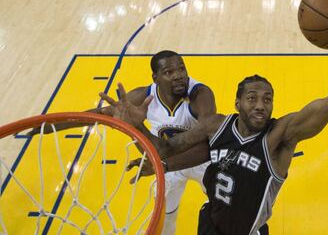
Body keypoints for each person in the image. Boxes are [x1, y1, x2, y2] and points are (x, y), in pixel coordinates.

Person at [101, 0, 328, 235]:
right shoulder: (215, 126)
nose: (260, 105)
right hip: (209, 226)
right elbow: (164, 149)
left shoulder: (278, 138)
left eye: (267, 99)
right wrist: (137, 127)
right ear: (237, 104)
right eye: (252, 98)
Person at [29, 50, 217, 235]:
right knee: (166, 214)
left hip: (200, 161)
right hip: (166, 165)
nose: (178, 76)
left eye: (182, 69)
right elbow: (97, 114)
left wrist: (164, 163)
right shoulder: (142, 97)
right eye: (169, 72)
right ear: (155, 78)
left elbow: (207, 144)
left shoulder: (201, 95)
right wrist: (47, 125)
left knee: (225, 207)